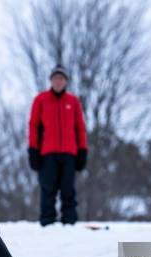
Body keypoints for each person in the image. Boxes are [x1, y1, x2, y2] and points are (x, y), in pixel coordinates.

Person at [28, 64, 88, 226]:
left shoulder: (73, 101)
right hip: (47, 153)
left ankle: (69, 222)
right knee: (48, 189)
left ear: (66, 81)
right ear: (51, 80)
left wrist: (83, 150)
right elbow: (33, 126)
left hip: (69, 153)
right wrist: (33, 150)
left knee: (68, 190)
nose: (58, 81)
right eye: (55, 78)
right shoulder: (41, 100)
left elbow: (80, 128)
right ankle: (47, 222)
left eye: (61, 78)